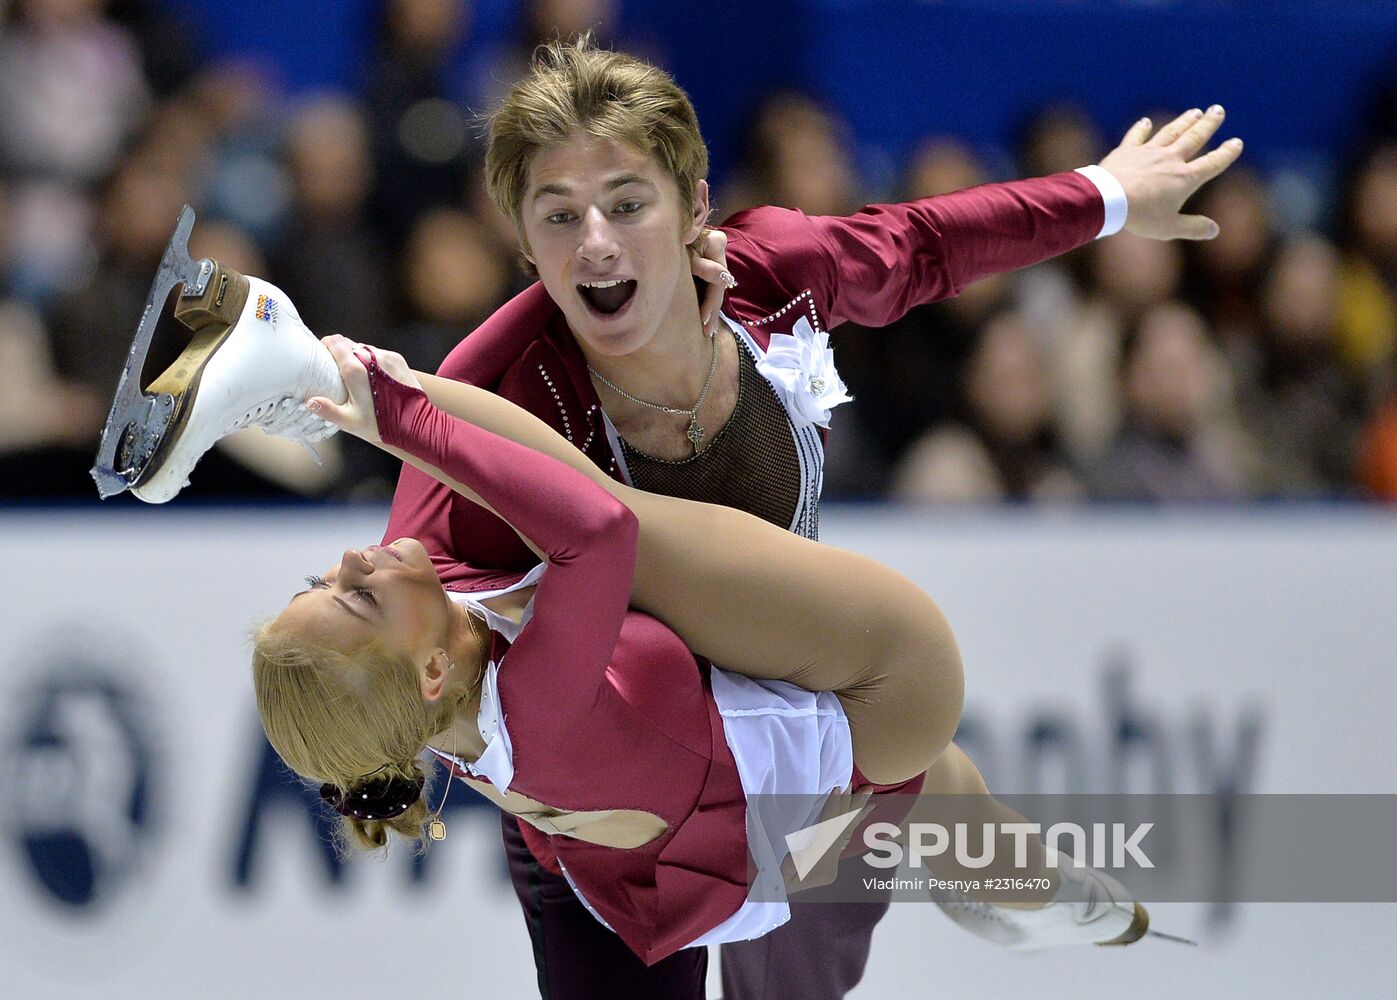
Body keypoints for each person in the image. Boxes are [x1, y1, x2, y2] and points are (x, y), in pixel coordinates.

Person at [126, 38, 1239, 1000]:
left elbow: (923, 246)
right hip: (610, 783)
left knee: (912, 833)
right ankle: (320, 372)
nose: (595, 244)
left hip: (782, 699)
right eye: (557, 217)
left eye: (625, 204)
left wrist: (1105, 195)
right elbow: (419, 631)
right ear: (521, 240)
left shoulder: (767, 277)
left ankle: (1023, 890)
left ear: (691, 204)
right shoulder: (497, 379)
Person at [252, 332, 1148, 968]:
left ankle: (1021, 892)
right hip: (770, 830)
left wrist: (332, 369)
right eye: (355, 596)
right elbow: (596, 529)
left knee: (946, 796)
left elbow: (458, 385)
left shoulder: (431, 630)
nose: (350, 558)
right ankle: (1038, 901)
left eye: (320, 580)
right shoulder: (536, 715)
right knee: (928, 752)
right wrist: (394, 413)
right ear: (431, 671)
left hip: (676, 787)